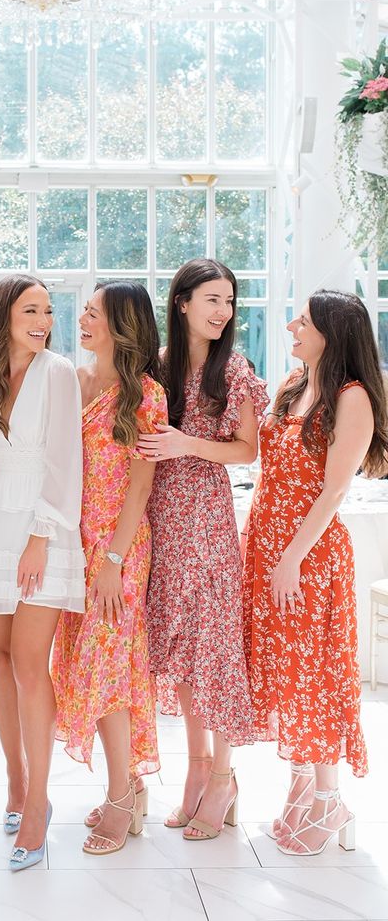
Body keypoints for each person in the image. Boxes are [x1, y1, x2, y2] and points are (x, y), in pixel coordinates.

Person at [243, 290, 388, 856]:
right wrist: (253, 541)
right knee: (281, 669)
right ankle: (301, 783)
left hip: (310, 555)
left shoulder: (352, 398)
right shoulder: (290, 386)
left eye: (302, 320)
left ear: (333, 331)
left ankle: (331, 798)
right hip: (268, 545)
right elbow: (266, 472)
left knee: (314, 673)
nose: (291, 325)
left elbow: (333, 491)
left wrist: (290, 560)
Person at [139, 258, 268, 841]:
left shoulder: (234, 370)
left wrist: (186, 442)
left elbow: (247, 452)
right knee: (181, 650)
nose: (224, 311)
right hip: (161, 521)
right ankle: (193, 770)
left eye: (230, 301)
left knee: (213, 650)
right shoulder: (157, 367)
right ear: (182, 302)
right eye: (213, 299)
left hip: (209, 524)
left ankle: (223, 776)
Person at [0, 273, 85, 872]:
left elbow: (67, 457)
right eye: (29, 311)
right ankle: (14, 781)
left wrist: (41, 536)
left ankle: (38, 802)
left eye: (47, 310)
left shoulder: (58, 371)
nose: (42, 321)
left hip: (43, 524)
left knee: (32, 666)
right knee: (0, 658)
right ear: (3, 316)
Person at [52, 281, 166, 855]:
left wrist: (113, 561)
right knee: (90, 664)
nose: (82, 319)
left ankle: (121, 794)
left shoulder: (145, 392)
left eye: (93, 313)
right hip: (74, 544)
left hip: (119, 547)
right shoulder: (74, 379)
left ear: (123, 324)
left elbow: (142, 483)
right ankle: (132, 786)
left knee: (107, 667)